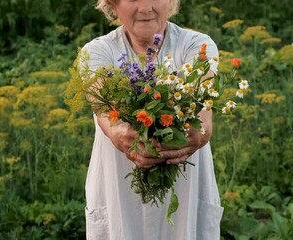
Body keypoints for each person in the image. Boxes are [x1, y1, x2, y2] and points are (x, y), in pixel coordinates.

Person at [81, 0, 223, 239]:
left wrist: (198, 131)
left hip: (185, 192)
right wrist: (121, 133)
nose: (145, 7)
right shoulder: (97, 52)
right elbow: (105, 113)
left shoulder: (196, 45)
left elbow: (202, 112)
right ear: (112, 5)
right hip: (119, 193)